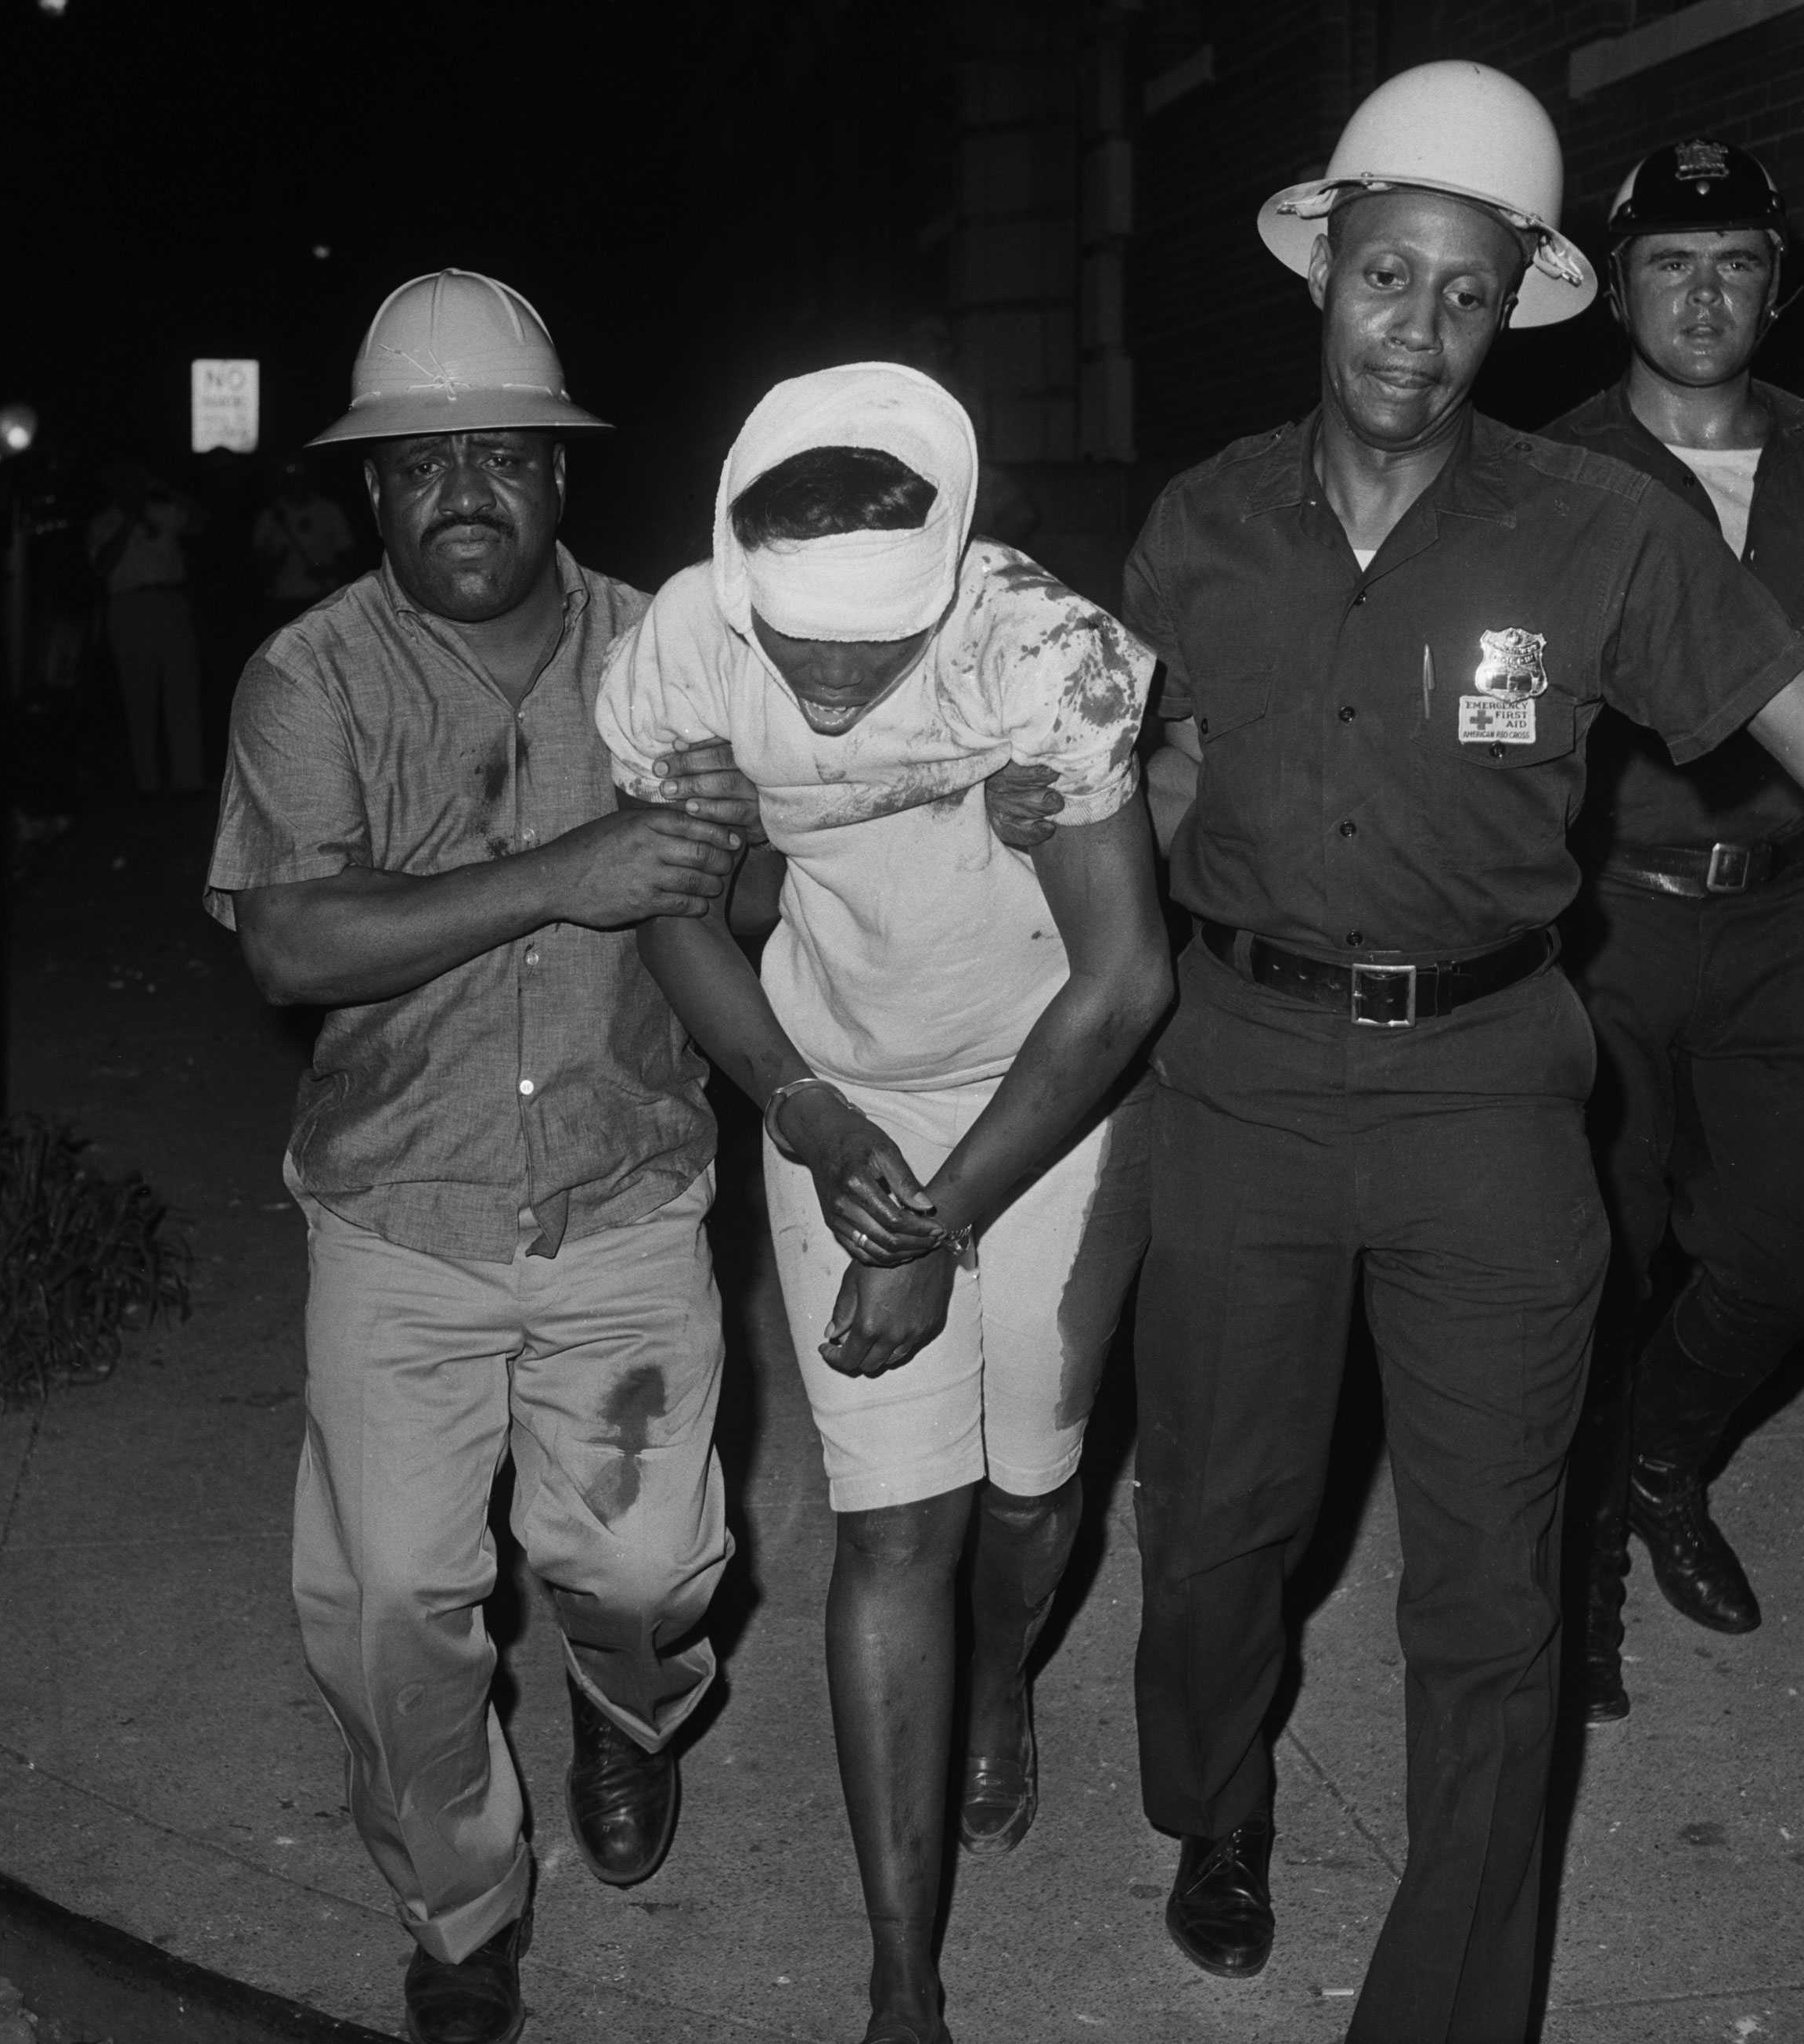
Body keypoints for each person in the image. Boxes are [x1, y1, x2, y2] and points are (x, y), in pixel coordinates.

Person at [1118, 63, 1804, 2043]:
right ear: (1322, 266)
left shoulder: (1599, 528)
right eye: (1384, 275)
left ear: (1511, 304)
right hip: (1237, 1069)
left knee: (1486, 1594)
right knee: (1214, 1534)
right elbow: (1136, 778)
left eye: (1462, 291)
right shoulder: (1198, 521)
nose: (1413, 330)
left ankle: (1441, 2012)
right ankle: (1210, 1800)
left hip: (1492, 1089)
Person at [204, 269, 752, 2044]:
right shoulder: (307, 678)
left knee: (648, 1573)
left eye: (500, 455)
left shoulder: (671, 648)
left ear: (558, 476)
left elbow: (756, 887)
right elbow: (289, 944)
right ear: (369, 492)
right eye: (421, 462)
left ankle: (623, 1702)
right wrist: (567, 870)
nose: (464, 491)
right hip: (398, 1218)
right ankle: (462, 1911)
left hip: (622, 1197)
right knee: (387, 1616)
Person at [595, 362, 1170, 2044]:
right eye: (806, 645)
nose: (836, 682)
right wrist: (809, 1111)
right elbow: (671, 907)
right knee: (895, 1524)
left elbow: (1126, 981)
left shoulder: (1041, 652)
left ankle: (1002, 1676)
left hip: (1049, 1088)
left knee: (1027, 1496)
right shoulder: (686, 647)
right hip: (839, 1085)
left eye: (879, 645)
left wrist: (938, 1222)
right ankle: (901, 1974)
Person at [1544, 140, 1804, 1725]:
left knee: (1782, 1248)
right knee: (1595, 1263)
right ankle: (1577, 1573)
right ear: (1620, 286)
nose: (1702, 292)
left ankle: (1663, 1452)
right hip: (1609, 926)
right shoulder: (1552, 476)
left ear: (1777, 286)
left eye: (1735, 261)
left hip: (1786, 919)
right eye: (1669, 262)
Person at [86, 460, 204, 793]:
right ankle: (147, 782)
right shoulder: (104, 522)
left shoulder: (164, 512)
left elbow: (199, 522)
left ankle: (188, 780)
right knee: (139, 693)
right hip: (129, 606)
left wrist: (165, 491)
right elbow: (101, 567)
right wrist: (128, 522)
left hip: (170, 600)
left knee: (182, 690)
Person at [251, 457, 358, 622]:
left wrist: (327, 570)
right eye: (290, 479)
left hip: (323, 597)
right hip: (284, 599)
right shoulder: (270, 516)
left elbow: (348, 555)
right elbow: (257, 564)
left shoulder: (329, 511)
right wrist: (276, 562)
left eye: (299, 478)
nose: (295, 484)